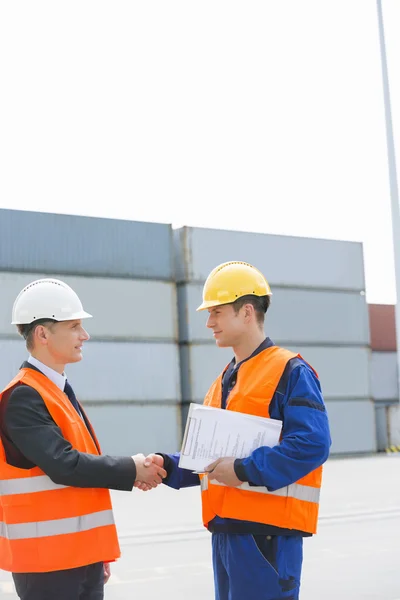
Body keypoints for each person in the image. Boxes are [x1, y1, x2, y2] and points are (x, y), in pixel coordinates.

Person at [139, 261, 331, 600]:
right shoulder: (225, 380)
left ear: (246, 312)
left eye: (216, 312)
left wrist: (242, 469)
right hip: (227, 532)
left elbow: (312, 444)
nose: (208, 322)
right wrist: (168, 466)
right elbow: (211, 456)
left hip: (266, 538)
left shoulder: (290, 371)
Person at [0, 278, 166, 600]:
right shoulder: (22, 397)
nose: (84, 335)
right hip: (47, 565)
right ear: (43, 334)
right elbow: (64, 465)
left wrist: (97, 552)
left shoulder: (56, 392)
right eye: (74, 326)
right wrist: (133, 469)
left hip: (80, 557)